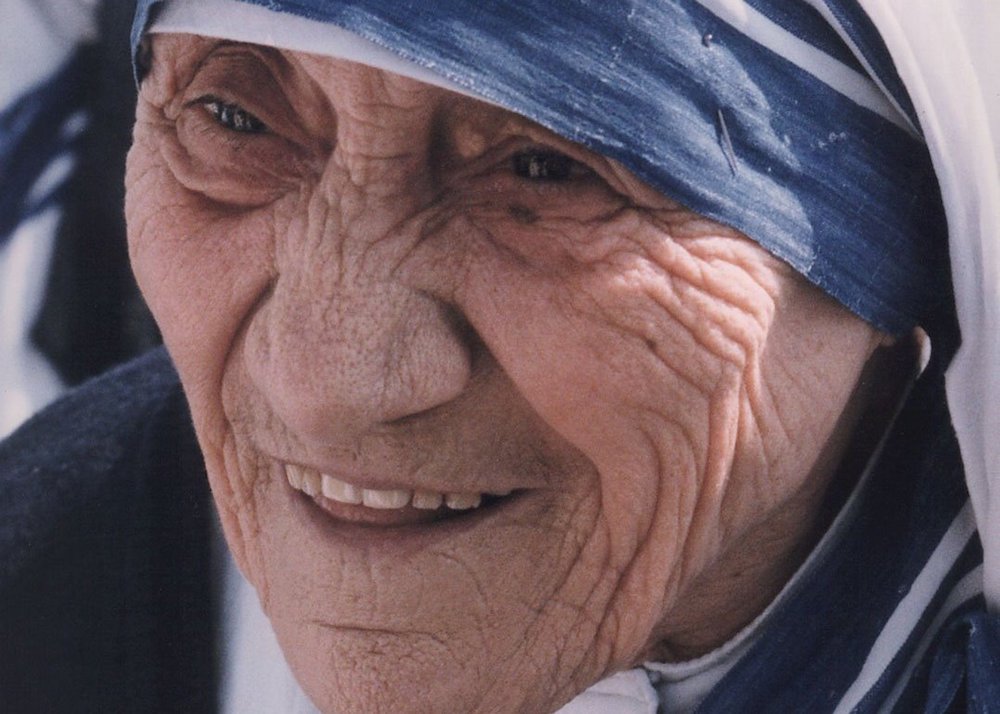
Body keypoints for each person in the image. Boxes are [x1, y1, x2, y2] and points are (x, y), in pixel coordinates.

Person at [1, 1, 998, 712]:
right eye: (235, 119)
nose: (325, 386)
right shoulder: (45, 579)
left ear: (916, 238)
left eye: (547, 170)